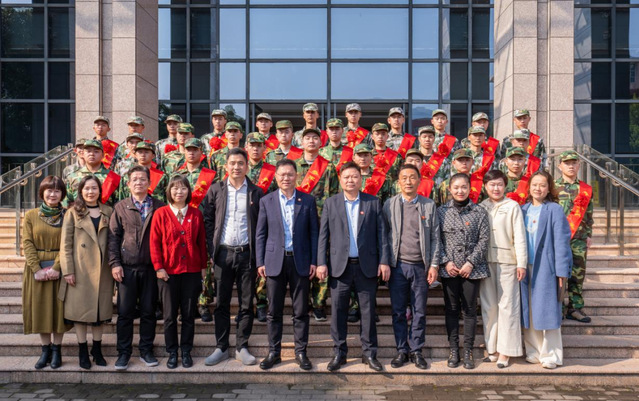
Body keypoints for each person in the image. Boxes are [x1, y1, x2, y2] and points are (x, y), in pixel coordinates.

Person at [316, 162, 390, 372]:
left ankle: (369, 353)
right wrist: (321, 262)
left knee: (368, 312)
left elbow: (382, 235)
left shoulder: (373, 202)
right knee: (338, 311)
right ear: (340, 180)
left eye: (354, 176)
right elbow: (323, 236)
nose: (350, 180)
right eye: (346, 177)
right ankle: (339, 353)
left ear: (361, 179)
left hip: (366, 266)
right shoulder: (331, 203)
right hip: (340, 267)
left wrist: (384, 261)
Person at [255, 158, 319, 371]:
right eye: (282, 174)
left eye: (290, 174)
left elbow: (314, 233)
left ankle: (301, 352)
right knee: (274, 310)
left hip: (300, 261)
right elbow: (260, 233)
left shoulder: (307, 200)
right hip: (275, 261)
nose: (286, 178)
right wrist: (260, 261)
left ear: (296, 176)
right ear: (276, 177)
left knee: (300, 311)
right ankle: (274, 352)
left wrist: (314, 261)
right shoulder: (267, 200)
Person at [203, 148, 263, 367]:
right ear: (225, 166)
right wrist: (212, 249)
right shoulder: (216, 190)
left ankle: (241, 347)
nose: (236, 167)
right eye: (232, 163)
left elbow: (261, 226)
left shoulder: (256, 192)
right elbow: (208, 220)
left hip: (247, 255)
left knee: (247, 303)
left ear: (247, 166)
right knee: (221, 302)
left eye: (240, 163)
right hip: (223, 255)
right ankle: (221, 347)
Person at [383, 164, 440, 370]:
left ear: (419, 181)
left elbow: (435, 237)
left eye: (412, 177)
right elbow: (384, 236)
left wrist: (434, 264)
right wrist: (385, 262)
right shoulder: (389, 204)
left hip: (420, 267)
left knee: (419, 311)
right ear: (398, 182)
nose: (408, 181)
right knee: (398, 311)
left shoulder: (428, 205)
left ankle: (416, 350)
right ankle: (401, 350)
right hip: (397, 266)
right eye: (404, 178)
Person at [108, 165, 165, 370]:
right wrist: (115, 263)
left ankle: (146, 350)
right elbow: (113, 238)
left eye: (143, 179)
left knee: (149, 312)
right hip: (127, 268)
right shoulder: (120, 207)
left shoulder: (159, 206)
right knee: (125, 313)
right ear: (128, 183)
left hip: (151, 268)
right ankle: (123, 353)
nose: (139, 182)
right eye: (135, 179)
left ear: (149, 183)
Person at [150, 174, 208, 369]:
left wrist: (203, 268)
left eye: (183, 188)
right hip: (168, 273)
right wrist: (159, 267)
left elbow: (201, 243)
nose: (179, 191)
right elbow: (154, 243)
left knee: (189, 315)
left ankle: (186, 351)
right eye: (175, 188)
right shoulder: (161, 214)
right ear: (169, 191)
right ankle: (172, 352)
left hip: (191, 272)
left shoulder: (196, 214)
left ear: (188, 191)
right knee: (169, 316)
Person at [60, 175, 114, 369]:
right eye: (87, 188)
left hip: (103, 270)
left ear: (100, 190)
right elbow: (65, 245)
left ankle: (97, 349)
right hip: (80, 270)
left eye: (94, 188)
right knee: (80, 313)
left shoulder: (108, 211)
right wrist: (68, 271)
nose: (90, 192)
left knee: (100, 313)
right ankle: (82, 350)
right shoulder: (72, 212)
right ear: (80, 191)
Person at [437, 173, 490, 370]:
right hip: (449, 269)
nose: (460, 191)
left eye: (464, 187)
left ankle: (468, 351)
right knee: (451, 309)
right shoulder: (441, 211)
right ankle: (454, 350)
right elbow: (437, 239)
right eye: (456, 187)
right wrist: (445, 262)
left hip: (471, 270)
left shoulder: (479, 211)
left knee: (469, 310)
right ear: (450, 189)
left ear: (470, 188)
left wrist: (471, 262)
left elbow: (484, 240)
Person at [521, 171, 572, 369]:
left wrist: (561, 272)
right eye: (534, 184)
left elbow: (562, 243)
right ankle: (534, 351)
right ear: (529, 187)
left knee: (549, 310)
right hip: (525, 267)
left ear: (549, 188)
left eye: (542, 185)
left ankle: (551, 355)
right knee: (530, 310)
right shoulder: (522, 209)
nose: (538, 188)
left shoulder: (554, 210)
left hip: (546, 267)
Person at [479, 170, 527, 369]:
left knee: (508, 307)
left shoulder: (512, 206)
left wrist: (521, 263)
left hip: (508, 262)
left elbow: (520, 236)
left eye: (499, 184)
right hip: (485, 262)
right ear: (485, 186)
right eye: (492, 184)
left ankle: (505, 352)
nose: (496, 188)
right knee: (489, 306)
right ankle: (492, 348)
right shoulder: (481, 207)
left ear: (505, 186)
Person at [22, 176, 72, 370]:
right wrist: (37, 269)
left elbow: (68, 243)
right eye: (49, 190)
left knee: (58, 311)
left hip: (61, 266)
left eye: (57, 191)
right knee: (41, 309)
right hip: (36, 269)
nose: (53, 194)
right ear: (42, 192)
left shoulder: (67, 215)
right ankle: (45, 350)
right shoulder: (31, 215)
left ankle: (57, 350)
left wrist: (57, 267)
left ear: (62, 194)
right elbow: (27, 243)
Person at [295, 127, 339, 321]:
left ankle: (319, 304)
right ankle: (302, 303)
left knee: (321, 260)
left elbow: (335, 194)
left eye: (315, 138)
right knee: (300, 261)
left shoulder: (328, 167)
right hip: (298, 221)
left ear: (321, 143)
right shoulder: (293, 166)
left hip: (322, 221)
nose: (311, 141)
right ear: (301, 142)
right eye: (308, 138)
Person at [555, 150, 594, 323]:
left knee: (577, 273)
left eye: (573, 163)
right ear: (560, 166)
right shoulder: (553, 187)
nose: (570, 166)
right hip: (558, 237)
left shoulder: (585, 189)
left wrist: (588, 234)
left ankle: (575, 308)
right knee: (558, 273)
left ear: (579, 165)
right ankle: (558, 307)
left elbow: (589, 215)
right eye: (567, 163)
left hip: (579, 237)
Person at [65, 139, 120, 207]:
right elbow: (67, 203)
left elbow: (120, 205)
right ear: (83, 154)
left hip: (105, 213)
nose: (92, 154)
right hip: (80, 213)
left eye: (96, 151)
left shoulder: (113, 178)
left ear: (103, 155)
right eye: (88, 151)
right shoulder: (72, 177)